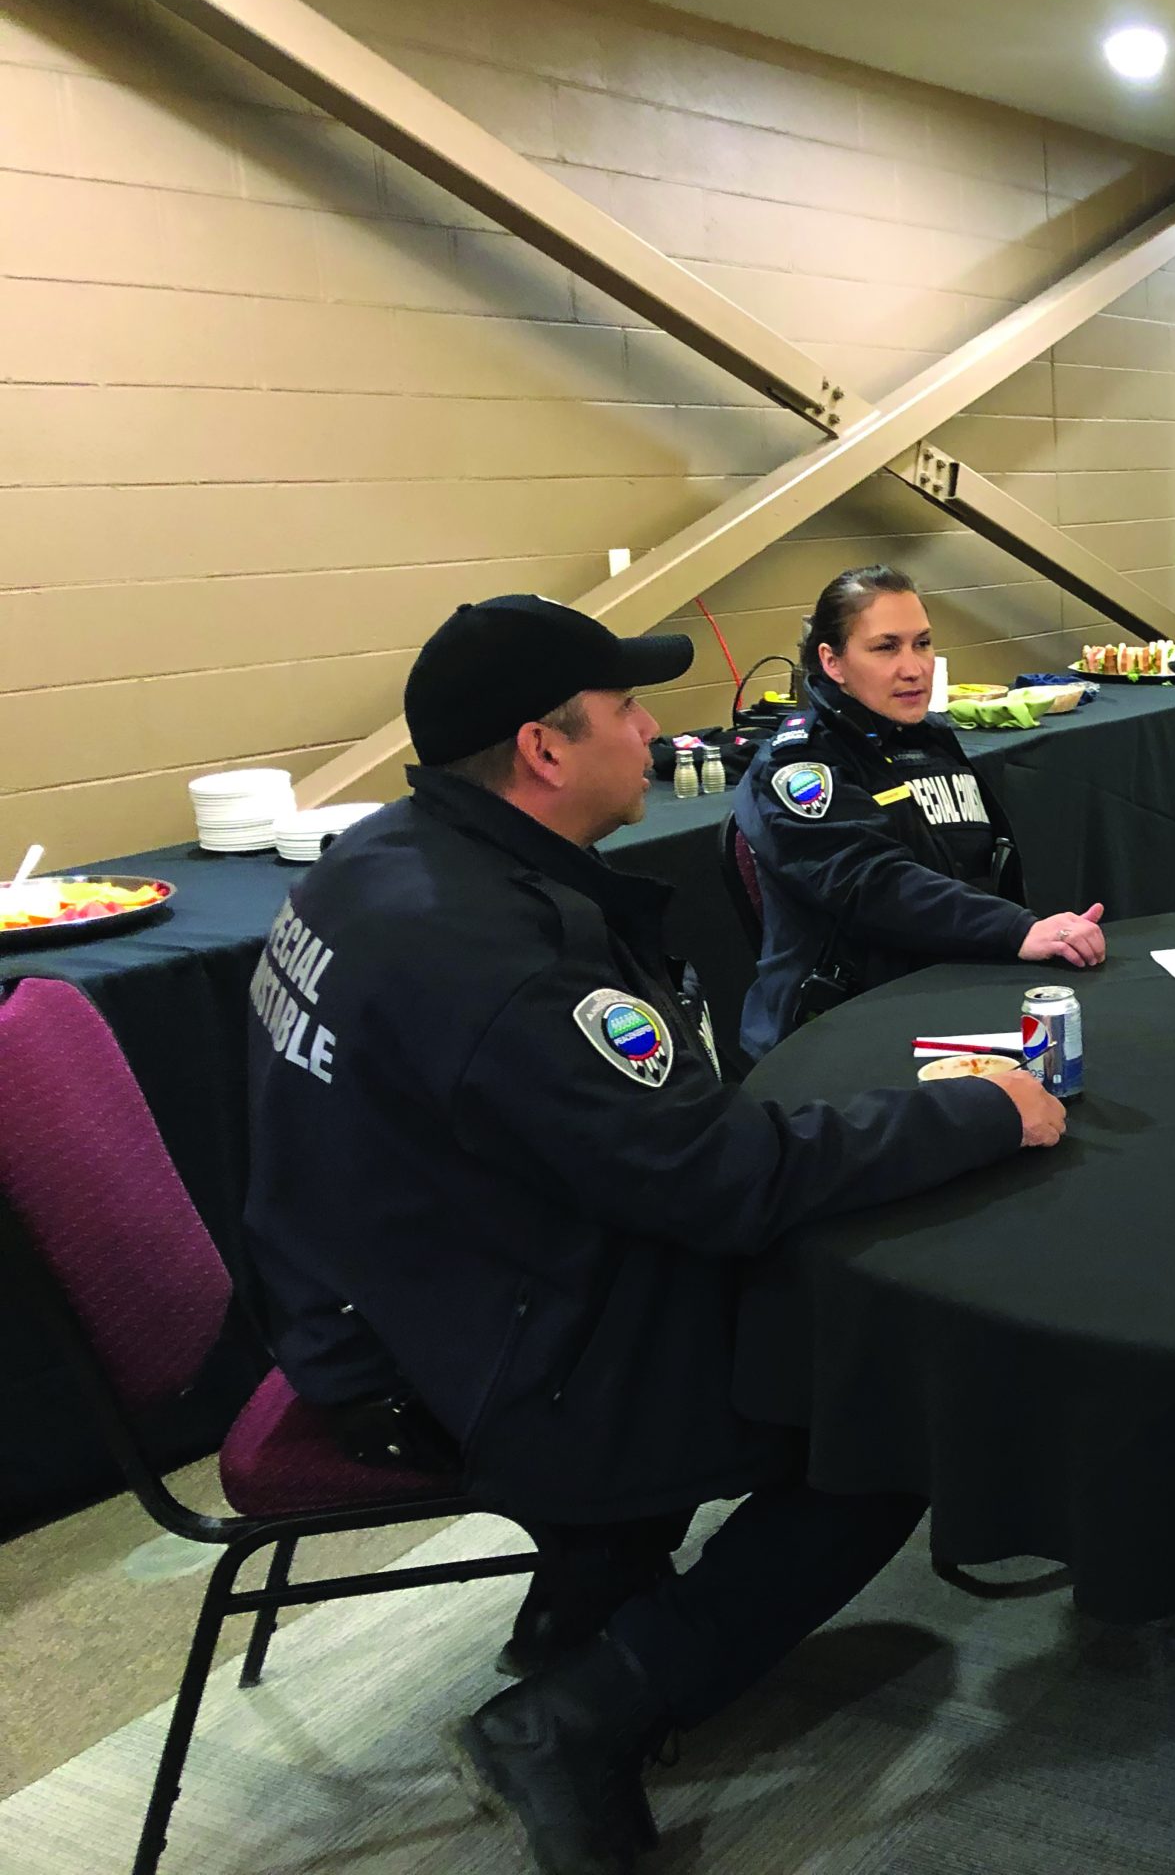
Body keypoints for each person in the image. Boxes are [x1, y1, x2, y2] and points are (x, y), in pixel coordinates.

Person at [240, 594, 1068, 1873]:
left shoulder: (381, 858)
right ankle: (580, 1718)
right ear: (543, 750)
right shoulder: (497, 953)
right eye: (626, 709)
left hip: (366, 1295)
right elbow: (712, 1176)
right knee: (887, 1398)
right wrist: (979, 1113)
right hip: (462, 1357)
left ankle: (588, 1595)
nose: (653, 732)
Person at [734, 566, 1105, 1063]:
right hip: (843, 1027)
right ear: (832, 662)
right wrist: (1016, 929)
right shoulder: (799, 764)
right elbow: (871, 883)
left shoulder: (929, 738)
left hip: (951, 987)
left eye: (922, 644)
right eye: (886, 647)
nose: (913, 668)